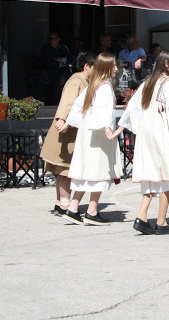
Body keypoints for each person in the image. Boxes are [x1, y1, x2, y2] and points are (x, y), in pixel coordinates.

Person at [114, 50, 169, 235]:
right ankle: (161, 221)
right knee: (167, 175)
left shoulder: (149, 82)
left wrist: (121, 127)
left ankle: (142, 216)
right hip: (164, 133)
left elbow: (133, 107)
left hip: (147, 132)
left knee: (152, 175)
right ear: (167, 64)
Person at [60, 53, 122, 226]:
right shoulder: (104, 87)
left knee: (85, 172)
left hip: (87, 133)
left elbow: (78, 107)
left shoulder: (93, 85)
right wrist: (108, 128)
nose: (116, 69)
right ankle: (92, 211)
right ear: (106, 67)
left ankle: (73, 208)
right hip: (99, 135)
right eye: (114, 66)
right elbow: (105, 111)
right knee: (99, 172)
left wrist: (72, 123)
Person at [40, 52, 95, 216]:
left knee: (66, 169)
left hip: (72, 131)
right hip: (66, 132)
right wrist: (62, 119)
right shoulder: (76, 81)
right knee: (66, 169)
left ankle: (61, 203)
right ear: (87, 66)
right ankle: (63, 204)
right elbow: (67, 102)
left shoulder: (84, 81)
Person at [41, 31, 74, 105]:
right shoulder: (46, 49)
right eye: (49, 39)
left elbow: (71, 59)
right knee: (59, 80)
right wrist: (61, 63)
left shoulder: (63, 47)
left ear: (58, 39)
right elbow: (48, 61)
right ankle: (57, 103)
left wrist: (61, 60)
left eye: (52, 39)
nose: (51, 41)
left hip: (64, 71)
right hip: (51, 72)